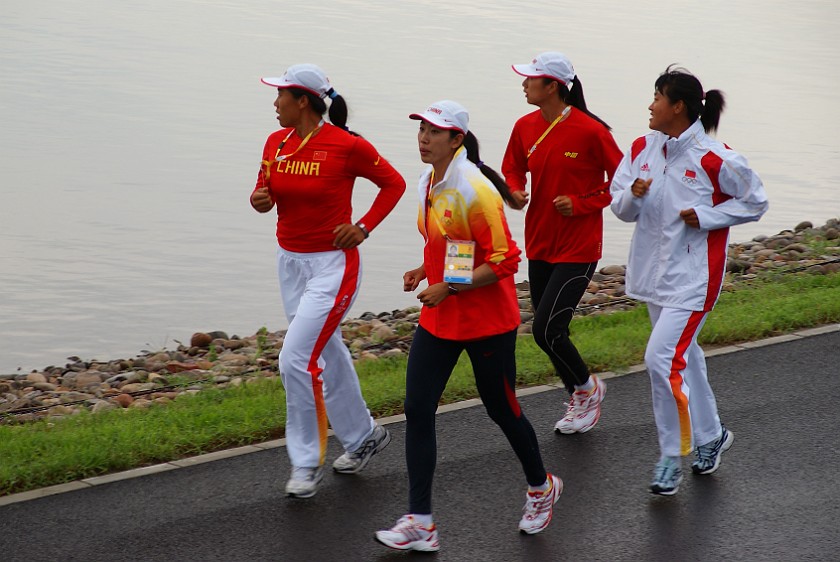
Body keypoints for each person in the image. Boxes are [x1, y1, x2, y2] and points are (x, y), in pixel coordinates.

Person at [374, 101, 562, 553]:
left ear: (456, 139)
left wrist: (449, 288)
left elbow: (504, 260)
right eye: (421, 128)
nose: (423, 137)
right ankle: (421, 521)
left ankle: (541, 488)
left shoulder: (476, 189)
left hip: (486, 322)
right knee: (417, 409)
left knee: (501, 408)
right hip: (440, 318)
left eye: (434, 131)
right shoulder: (431, 180)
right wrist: (426, 269)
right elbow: (455, 243)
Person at [610, 65, 768, 495]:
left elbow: (756, 202)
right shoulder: (642, 147)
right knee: (684, 356)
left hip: (694, 280)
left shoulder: (716, 158)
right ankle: (710, 435)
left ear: (677, 106)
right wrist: (632, 195)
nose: (650, 104)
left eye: (657, 97)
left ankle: (670, 455)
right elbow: (619, 209)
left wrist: (709, 217)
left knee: (661, 360)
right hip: (652, 276)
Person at [250, 63, 406, 498]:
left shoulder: (346, 145)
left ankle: (305, 463)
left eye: (281, 94)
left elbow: (392, 184)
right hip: (290, 264)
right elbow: (263, 194)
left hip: (333, 267)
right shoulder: (275, 142)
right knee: (327, 350)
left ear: (303, 100)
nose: (275, 101)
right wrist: (259, 199)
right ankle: (363, 436)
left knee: (295, 358)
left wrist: (364, 226)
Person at [502, 52, 623, 434]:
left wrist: (583, 203)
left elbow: (622, 181)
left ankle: (586, 391)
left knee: (545, 330)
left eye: (531, 79)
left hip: (579, 248)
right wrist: (515, 191)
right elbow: (511, 168)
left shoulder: (591, 131)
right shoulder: (524, 126)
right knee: (552, 329)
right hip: (539, 243)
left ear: (552, 86)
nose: (524, 84)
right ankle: (580, 390)